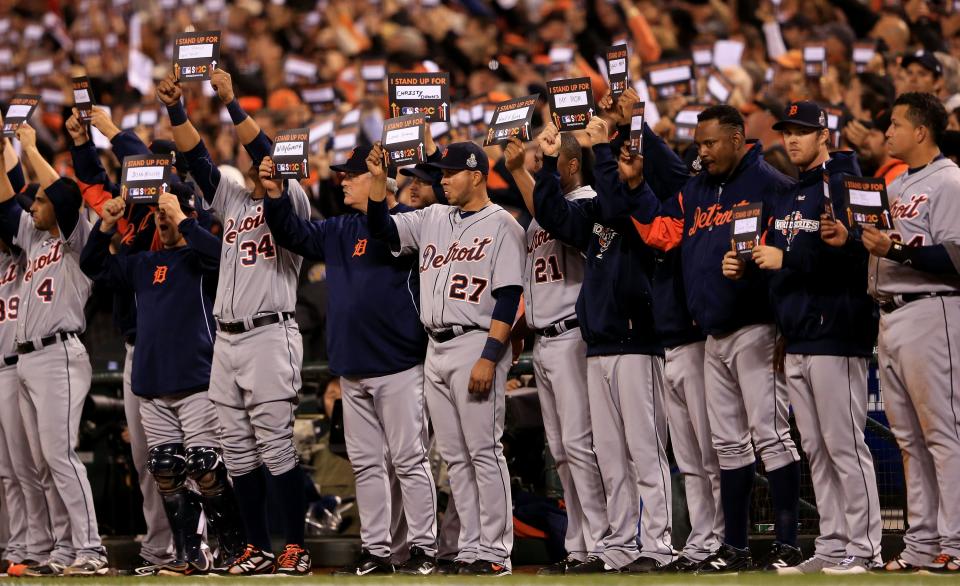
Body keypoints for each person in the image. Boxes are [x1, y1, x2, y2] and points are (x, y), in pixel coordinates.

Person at [625, 105, 802, 572]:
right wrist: (634, 186)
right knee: (728, 444)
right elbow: (661, 234)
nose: (702, 152)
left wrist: (780, 315)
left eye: (710, 143)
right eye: (699, 144)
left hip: (758, 326)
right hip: (713, 333)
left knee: (771, 435)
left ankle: (788, 543)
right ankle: (735, 546)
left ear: (738, 138)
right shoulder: (698, 188)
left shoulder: (771, 186)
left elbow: (791, 258)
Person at [258, 140, 437, 576]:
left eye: (351, 174)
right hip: (353, 368)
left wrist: (379, 190)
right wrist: (277, 195)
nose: (342, 180)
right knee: (367, 464)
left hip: (399, 364)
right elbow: (293, 234)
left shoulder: (407, 223)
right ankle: (377, 550)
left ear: (378, 179)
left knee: (410, 460)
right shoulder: (338, 229)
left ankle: (424, 548)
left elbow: (382, 228)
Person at [159, 69, 311, 575]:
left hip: (271, 332)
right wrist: (177, 110)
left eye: (267, 162)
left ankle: (295, 545)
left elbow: (268, 153)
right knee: (238, 452)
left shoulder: (292, 201)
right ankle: (257, 546)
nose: (259, 166)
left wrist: (232, 103)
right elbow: (199, 162)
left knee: (275, 445)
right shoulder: (234, 200)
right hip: (228, 338)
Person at [367, 141, 524, 576]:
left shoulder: (503, 225)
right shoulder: (434, 217)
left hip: (477, 342)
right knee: (455, 458)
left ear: (476, 175)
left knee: (484, 452)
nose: (442, 180)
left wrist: (491, 357)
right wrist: (379, 185)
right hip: (435, 347)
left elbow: (509, 297)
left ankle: (496, 551)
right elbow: (381, 228)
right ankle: (470, 547)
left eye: (450, 173)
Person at [824, 92, 960, 574]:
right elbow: (883, 249)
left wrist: (897, 251)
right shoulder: (898, 182)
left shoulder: (950, 181)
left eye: (896, 124)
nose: (887, 132)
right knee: (909, 440)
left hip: (933, 309)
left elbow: (956, 256)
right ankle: (922, 543)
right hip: (891, 312)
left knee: (942, 433)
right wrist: (850, 243)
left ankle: (955, 541)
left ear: (921, 131)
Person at [529, 115, 672, 573]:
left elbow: (616, 201)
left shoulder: (642, 205)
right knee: (610, 456)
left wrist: (603, 152)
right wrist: (550, 165)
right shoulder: (596, 217)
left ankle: (658, 545)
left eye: (630, 160)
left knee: (644, 452)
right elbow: (551, 215)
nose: (622, 166)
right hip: (600, 346)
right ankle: (619, 544)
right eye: (617, 159)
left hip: (637, 342)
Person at [80, 192, 245, 575]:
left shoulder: (203, 259)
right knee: (165, 468)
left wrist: (186, 221)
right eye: (158, 215)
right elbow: (93, 264)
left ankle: (233, 550)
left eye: (169, 214)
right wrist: (105, 226)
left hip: (198, 381)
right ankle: (190, 555)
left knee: (207, 467)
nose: (162, 220)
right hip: (152, 383)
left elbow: (225, 258)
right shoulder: (143, 262)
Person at [749, 101, 882, 574]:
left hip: (839, 330)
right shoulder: (790, 193)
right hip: (799, 334)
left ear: (824, 134)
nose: (792, 139)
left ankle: (865, 547)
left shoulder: (843, 182)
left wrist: (788, 262)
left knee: (844, 442)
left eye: (802, 132)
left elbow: (857, 256)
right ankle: (831, 545)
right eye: (787, 132)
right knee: (817, 449)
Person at [65, 108, 176, 575]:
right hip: (137, 346)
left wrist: (108, 129)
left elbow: (146, 166)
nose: (136, 176)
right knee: (147, 459)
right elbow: (92, 184)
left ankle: (204, 545)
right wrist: (80, 141)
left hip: (185, 343)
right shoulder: (129, 216)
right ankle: (160, 550)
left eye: (144, 170)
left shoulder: (180, 204)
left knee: (192, 457)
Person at [0, 124, 107, 577]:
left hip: (59, 354)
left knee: (60, 455)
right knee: (43, 461)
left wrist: (28, 148)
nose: (34, 205)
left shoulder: (73, 238)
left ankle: (91, 548)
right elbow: (6, 205)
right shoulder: (35, 239)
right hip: (27, 357)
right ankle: (62, 550)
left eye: (41, 201)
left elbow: (61, 194)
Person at [503, 127, 608, 575]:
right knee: (561, 451)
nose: (540, 166)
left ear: (569, 165)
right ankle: (579, 545)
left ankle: (600, 544)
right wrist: (513, 170)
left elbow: (555, 215)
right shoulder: (544, 209)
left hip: (572, 335)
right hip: (545, 340)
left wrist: (531, 173)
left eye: (549, 161)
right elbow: (540, 208)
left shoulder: (586, 202)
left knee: (581, 447)